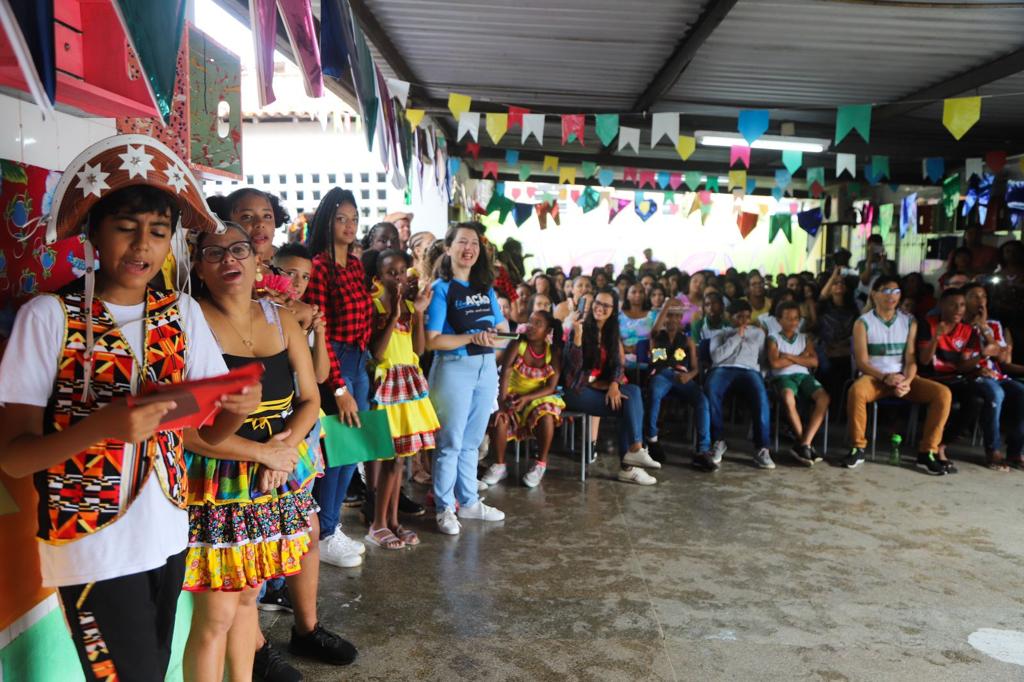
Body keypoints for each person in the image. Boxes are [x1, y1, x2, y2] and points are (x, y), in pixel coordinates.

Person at [0, 138, 260, 682]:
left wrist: (238, 409)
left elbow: (210, 434)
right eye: (126, 227)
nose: (143, 245)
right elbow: (15, 458)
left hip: (167, 534)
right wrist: (102, 427)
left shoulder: (181, 312)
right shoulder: (49, 318)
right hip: (91, 542)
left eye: (159, 232)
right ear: (93, 231)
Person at [183, 224, 356, 681]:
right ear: (197, 266)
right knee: (216, 615)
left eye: (238, 249)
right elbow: (187, 432)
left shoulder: (281, 319)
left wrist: (284, 447)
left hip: (275, 477)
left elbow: (311, 399)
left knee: (247, 597)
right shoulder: (189, 322)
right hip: (219, 483)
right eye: (214, 253)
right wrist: (265, 456)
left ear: (258, 261)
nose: (228, 260)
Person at [425, 222, 509, 535]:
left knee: (472, 441)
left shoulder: (485, 288)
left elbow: (502, 331)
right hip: (453, 368)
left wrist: (498, 336)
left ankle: (469, 501)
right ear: (448, 248)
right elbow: (433, 340)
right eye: (462, 242)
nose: (468, 248)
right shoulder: (441, 289)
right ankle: (445, 507)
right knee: (450, 442)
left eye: (474, 243)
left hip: (485, 369)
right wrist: (472, 338)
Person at [303, 188, 371, 569]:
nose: (349, 225)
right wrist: (339, 387)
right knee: (335, 454)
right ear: (326, 221)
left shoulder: (356, 265)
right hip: (336, 363)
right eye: (341, 218)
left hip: (359, 360)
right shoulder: (319, 267)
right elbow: (321, 333)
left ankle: (331, 526)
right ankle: (325, 533)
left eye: (354, 218)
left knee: (353, 452)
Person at [367, 249, 439, 547]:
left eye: (401, 272)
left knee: (400, 461)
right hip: (387, 388)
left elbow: (420, 349)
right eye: (390, 273)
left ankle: (394, 521)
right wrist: (393, 316)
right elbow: (377, 352)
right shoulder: (374, 306)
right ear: (378, 277)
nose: (397, 278)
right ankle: (378, 524)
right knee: (389, 458)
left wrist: (418, 313)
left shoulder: (410, 307)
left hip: (409, 388)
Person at [844, 276, 953, 473]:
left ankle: (927, 451)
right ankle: (858, 448)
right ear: (874, 294)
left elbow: (911, 359)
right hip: (875, 378)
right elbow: (862, 362)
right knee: (856, 392)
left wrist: (907, 381)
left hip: (902, 378)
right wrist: (885, 377)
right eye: (886, 291)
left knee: (942, 394)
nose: (891, 296)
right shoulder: (863, 323)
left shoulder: (909, 321)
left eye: (896, 291)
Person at [562, 289, 659, 484]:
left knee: (632, 392)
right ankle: (630, 464)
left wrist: (614, 385)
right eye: (598, 303)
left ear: (613, 310)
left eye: (606, 305)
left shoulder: (611, 333)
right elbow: (573, 369)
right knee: (627, 405)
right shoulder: (579, 328)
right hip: (577, 390)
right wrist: (578, 337)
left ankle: (634, 453)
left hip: (599, 387)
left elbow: (618, 365)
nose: (600, 308)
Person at [484, 311, 566, 488]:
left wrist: (527, 398)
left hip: (537, 396)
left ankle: (540, 464)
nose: (531, 326)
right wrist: (502, 403)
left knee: (547, 416)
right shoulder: (518, 344)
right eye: (530, 321)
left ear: (548, 331)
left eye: (538, 324)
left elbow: (551, 387)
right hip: (511, 393)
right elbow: (505, 373)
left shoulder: (552, 352)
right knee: (500, 418)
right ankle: (499, 465)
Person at [705, 300, 775, 470]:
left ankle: (762, 448)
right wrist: (737, 336)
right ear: (730, 317)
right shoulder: (719, 334)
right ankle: (718, 441)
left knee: (761, 395)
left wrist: (760, 376)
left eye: (747, 317)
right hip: (722, 369)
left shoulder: (758, 334)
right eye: (739, 317)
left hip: (749, 370)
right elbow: (717, 358)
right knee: (711, 389)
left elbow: (763, 359)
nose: (744, 320)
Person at [645, 300, 713, 467]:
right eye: (669, 316)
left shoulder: (688, 341)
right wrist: (667, 305)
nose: (672, 319)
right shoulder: (656, 336)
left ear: (681, 318)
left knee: (702, 401)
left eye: (676, 316)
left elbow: (696, 368)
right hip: (661, 374)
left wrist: (690, 375)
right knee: (654, 394)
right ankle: (652, 439)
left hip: (681, 376)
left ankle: (703, 450)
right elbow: (656, 328)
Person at [963, 283, 1024, 469]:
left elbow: (1002, 357)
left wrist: (984, 328)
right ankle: (993, 450)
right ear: (964, 300)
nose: (980, 300)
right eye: (974, 296)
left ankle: (1015, 452)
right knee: (996, 393)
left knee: (1021, 391)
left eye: (983, 296)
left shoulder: (994, 325)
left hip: (996, 375)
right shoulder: (959, 323)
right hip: (971, 375)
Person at [767, 302, 830, 466]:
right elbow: (775, 364)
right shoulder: (773, 338)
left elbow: (814, 362)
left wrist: (788, 356)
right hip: (783, 377)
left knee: (823, 398)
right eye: (788, 318)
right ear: (779, 320)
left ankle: (804, 443)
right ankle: (805, 444)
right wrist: (802, 358)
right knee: (788, 398)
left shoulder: (804, 338)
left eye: (796, 318)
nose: (793, 322)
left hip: (803, 376)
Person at [816, 268, 859, 405]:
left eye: (842, 283)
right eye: (835, 283)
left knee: (844, 384)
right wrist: (833, 275)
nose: (839, 285)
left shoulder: (853, 308)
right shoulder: (823, 307)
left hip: (846, 352)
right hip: (827, 352)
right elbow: (822, 296)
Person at [620, 282, 657, 369]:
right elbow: (614, 338)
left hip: (647, 359)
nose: (638, 295)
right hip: (623, 359)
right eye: (634, 292)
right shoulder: (619, 316)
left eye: (641, 292)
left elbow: (657, 339)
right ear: (627, 295)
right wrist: (624, 348)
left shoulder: (653, 315)